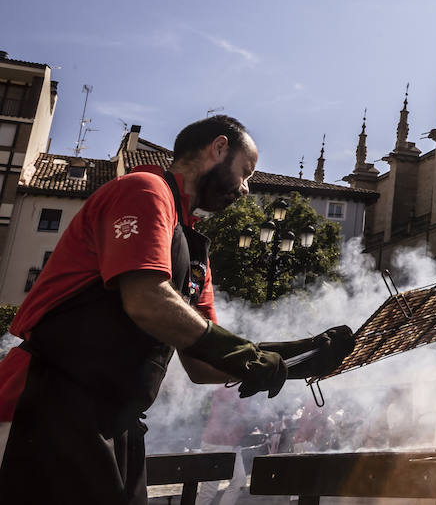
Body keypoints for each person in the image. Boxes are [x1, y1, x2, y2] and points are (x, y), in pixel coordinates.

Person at [0, 114, 353, 505]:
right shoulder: (144, 189)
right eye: (245, 171)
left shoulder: (195, 249)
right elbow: (146, 299)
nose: (247, 188)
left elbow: (202, 364)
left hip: (115, 424)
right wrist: (248, 358)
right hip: (46, 407)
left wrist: (298, 358)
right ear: (218, 149)